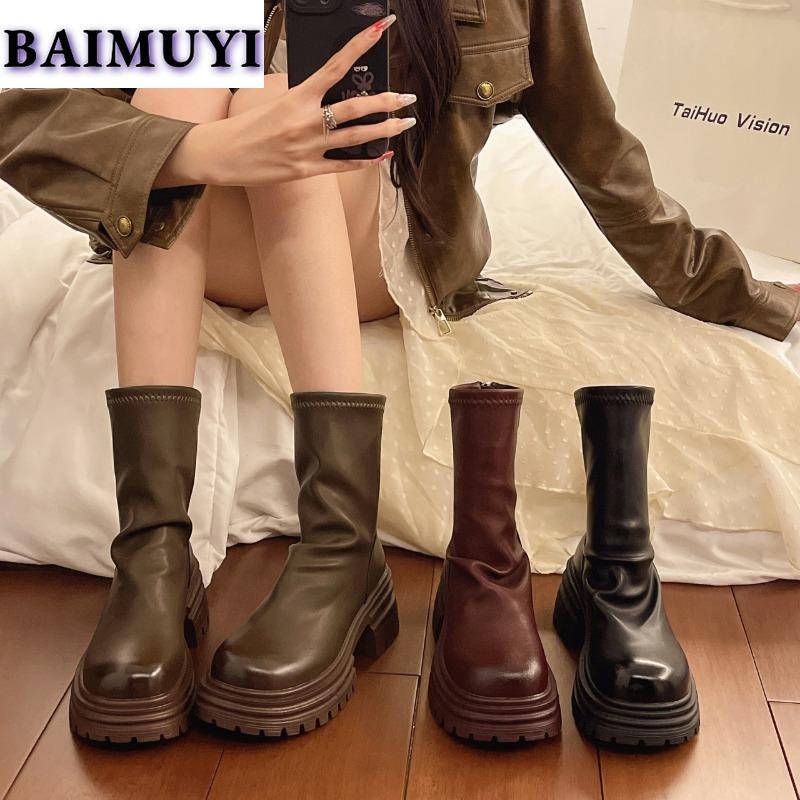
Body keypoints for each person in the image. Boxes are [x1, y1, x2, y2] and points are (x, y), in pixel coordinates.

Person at [0, 2, 797, 745]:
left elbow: (600, 153)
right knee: (181, 90)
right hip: (220, 232)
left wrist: (743, 293)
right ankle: (153, 559)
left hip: (372, 248)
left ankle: (339, 547)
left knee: (287, 100)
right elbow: (25, 108)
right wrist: (201, 150)